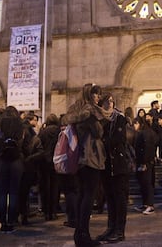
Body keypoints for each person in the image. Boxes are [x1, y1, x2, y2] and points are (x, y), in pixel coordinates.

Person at [62, 83, 107, 247]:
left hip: (79, 159)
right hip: (91, 158)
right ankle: (83, 235)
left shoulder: (76, 110)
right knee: (88, 196)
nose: (98, 97)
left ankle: (79, 234)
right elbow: (98, 132)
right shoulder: (89, 112)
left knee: (82, 195)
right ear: (90, 95)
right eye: (96, 94)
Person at [0, 106, 28, 233]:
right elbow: (27, 146)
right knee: (14, 192)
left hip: (2, 160)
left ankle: (3, 223)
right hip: (16, 161)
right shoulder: (21, 127)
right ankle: (11, 222)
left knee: (3, 192)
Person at [95, 94, 129, 243]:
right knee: (109, 197)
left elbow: (119, 139)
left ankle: (119, 231)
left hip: (118, 164)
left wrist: (100, 142)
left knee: (119, 198)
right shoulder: (100, 119)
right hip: (105, 164)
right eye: (106, 102)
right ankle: (111, 227)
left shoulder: (118, 118)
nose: (109, 104)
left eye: (110, 101)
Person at [38, 113, 61, 221]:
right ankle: (54, 211)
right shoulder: (59, 131)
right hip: (56, 160)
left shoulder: (43, 131)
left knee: (45, 187)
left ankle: (46, 212)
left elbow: (39, 144)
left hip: (44, 161)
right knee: (55, 187)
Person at [133, 117, 158, 215]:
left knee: (147, 184)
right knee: (143, 184)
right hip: (143, 161)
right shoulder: (144, 132)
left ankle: (150, 205)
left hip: (146, 162)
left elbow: (147, 148)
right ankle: (145, 204)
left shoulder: (146, 133)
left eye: (135, 124)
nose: (134, 126)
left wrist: (144, 162)